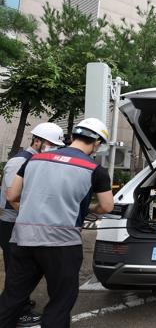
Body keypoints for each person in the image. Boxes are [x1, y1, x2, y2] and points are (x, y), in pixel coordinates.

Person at [0, 118, 114, 328]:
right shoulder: (94, 169)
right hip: (62, 245)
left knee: (13, 297)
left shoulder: (34, 160)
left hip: (23, 239)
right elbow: (107, 206)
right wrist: (90, 210)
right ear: (96, 143)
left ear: (73, 136)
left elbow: (12, 195)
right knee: (60, 302)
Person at [0, 122, 64, 327]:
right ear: (37, 141)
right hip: (10, 223)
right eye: (50, 143)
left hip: (23, 223)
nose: (53, 147)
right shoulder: (20, 161)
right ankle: (20, 313)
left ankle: (20, 305)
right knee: (16, 271)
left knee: (22, 269)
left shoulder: (36, 160)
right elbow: (12, 196)